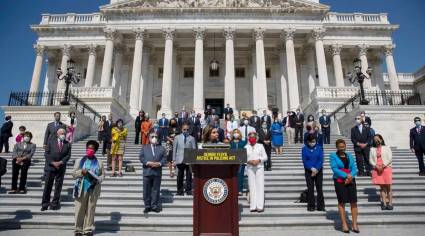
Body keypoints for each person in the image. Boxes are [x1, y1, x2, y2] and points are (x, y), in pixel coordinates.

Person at [72, 140, 104, 236]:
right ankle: (78, 229)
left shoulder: (99, 162)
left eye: (92, 148)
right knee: (79, 209)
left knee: (90, 210)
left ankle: (88, 229)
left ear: (95, 150)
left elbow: (102, 175)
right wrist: (81, 172)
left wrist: (98, 178)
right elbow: (73, 174)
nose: (90, 150)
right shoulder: (80, 160)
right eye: (88, 148)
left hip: (93, 189)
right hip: (81, 188)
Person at [330, 139, 359, 233]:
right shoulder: (333, 156)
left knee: (353, 202)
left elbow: (354, 167)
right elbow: (334, 168)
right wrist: (346, 176)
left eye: (344, 146)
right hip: (339, 181)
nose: (342, 148)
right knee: (342, 201)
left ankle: (354, 224)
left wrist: (351, 176)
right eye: (340, 146)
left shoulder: (350, 155)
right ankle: (344, 224)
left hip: (351, 180)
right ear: (337, 147)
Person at [41, 128, 72, 211]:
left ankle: (55, 203)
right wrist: (52, 162)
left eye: (64, 133)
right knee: (48, 186)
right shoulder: (51, 142)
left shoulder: (67, 144)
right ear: (57, 134)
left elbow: (68, 155)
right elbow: (47, 154)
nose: (63, 135)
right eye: (61, 133)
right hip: (50, 167)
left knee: (58, 186)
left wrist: (61, 162)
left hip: (61, 167)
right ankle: (45, 203)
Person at [139, 132, 166, 213]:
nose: (154, 138)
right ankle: (147, 205)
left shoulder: (161, 148)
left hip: (157, 172)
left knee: (156, 189)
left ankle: (154, 206)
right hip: (147, 171)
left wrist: (159, 163)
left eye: (156, 136)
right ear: (149, 138)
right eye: (152, 136)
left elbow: (164, 158)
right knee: (146, 190)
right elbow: (141, 157)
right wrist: (148, 163)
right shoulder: (144, 147)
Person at [245, 132, 268, 213]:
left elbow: (265, 157)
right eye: (250, 137)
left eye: (253, 137)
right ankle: (253, 206)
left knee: (260, 186)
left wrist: (259, 160)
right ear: (248, 138)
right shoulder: (246, 147)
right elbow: (243, 158)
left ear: (256, 138)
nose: (252, 138)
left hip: (259, 167)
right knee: (252, 186)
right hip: (250, 168)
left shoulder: (260, 146)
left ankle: (260, 206)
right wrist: (249, 161)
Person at [301, 134, 325, 211]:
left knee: (319, 188)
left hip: (318, 171)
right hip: (309, 171)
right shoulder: (304, 149)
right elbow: (305, 161)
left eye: (313, 141)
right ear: (307, 142)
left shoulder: (319, 148)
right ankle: (311, 205)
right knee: (310, 188)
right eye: (310, 142)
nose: (312, 143)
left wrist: (317, 169)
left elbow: (320, 160)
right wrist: (312, 169)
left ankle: (321, 206)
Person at [370, 134, 393, 210]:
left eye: (377, 139)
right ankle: (384, 203)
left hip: (386, 168)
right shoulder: (372, 149)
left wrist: (383, 165)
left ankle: (390, 203)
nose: (376, 140)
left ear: (381, 139)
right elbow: (370, 160)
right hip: (377, 169)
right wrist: (376, 166)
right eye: (375, 139)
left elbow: (390, 158)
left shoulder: (387, 147)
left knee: (388, 187)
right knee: (382, 187)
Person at [173, 123, 197, 195]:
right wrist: (174, 160)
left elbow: (194, 149)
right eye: (184, 129)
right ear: (181, 129)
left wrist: (193, 160)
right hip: (179, 159)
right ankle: (179, 191)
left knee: (189, 176)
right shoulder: (177, 137)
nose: (185, 131)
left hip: (188, 159)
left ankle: (188, 190)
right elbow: (175, 149)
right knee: (179, 176)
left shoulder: (192, 138)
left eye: (187, 130)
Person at [230, 129, 247, 195]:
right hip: (232, 161)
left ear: (239, 134)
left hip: (241, 161)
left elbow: (246, 151)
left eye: (237, 132)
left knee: (240, 176)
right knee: (233, 176)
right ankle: (233, 189)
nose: (236, 134)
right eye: (235, 133)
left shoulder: (243, 142)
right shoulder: (230, 142)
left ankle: (240, 190)